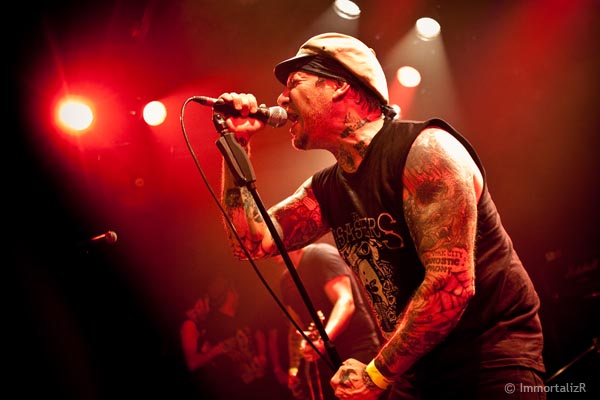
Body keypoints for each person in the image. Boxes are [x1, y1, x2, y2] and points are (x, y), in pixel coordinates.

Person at [217, 32, 546, 399]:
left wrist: (375, 374)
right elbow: (250, 242)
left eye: (295, 83)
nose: (281, 99)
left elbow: (451, 283)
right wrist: (235, 146)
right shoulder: (327, 190)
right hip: (412, 374)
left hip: (490, 363)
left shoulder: (425, 151)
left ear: (339, 85)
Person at [278, 242, 381, 400]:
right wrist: (295, 367)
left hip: (356, 350)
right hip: (325, 361)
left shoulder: (321, 255)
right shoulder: (285, 282)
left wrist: (322, 341)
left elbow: (345, 301)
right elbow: (296, 326)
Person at [180, 275, 269, 399]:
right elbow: (192, 363)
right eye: (205, 303)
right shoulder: (190, 325)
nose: (208, 306)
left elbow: (257, 332)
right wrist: (218, 349)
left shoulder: (205, 326)